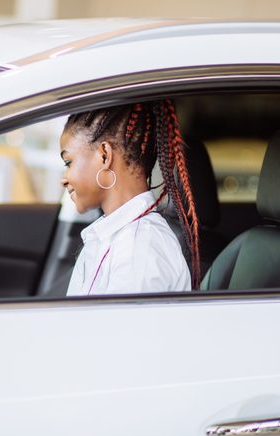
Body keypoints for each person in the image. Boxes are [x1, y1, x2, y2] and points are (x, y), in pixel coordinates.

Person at [60, 100, 200, 295]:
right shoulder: (115, 237)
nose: (64, 180)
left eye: (68, 162)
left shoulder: (139, 249)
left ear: (104, 156)